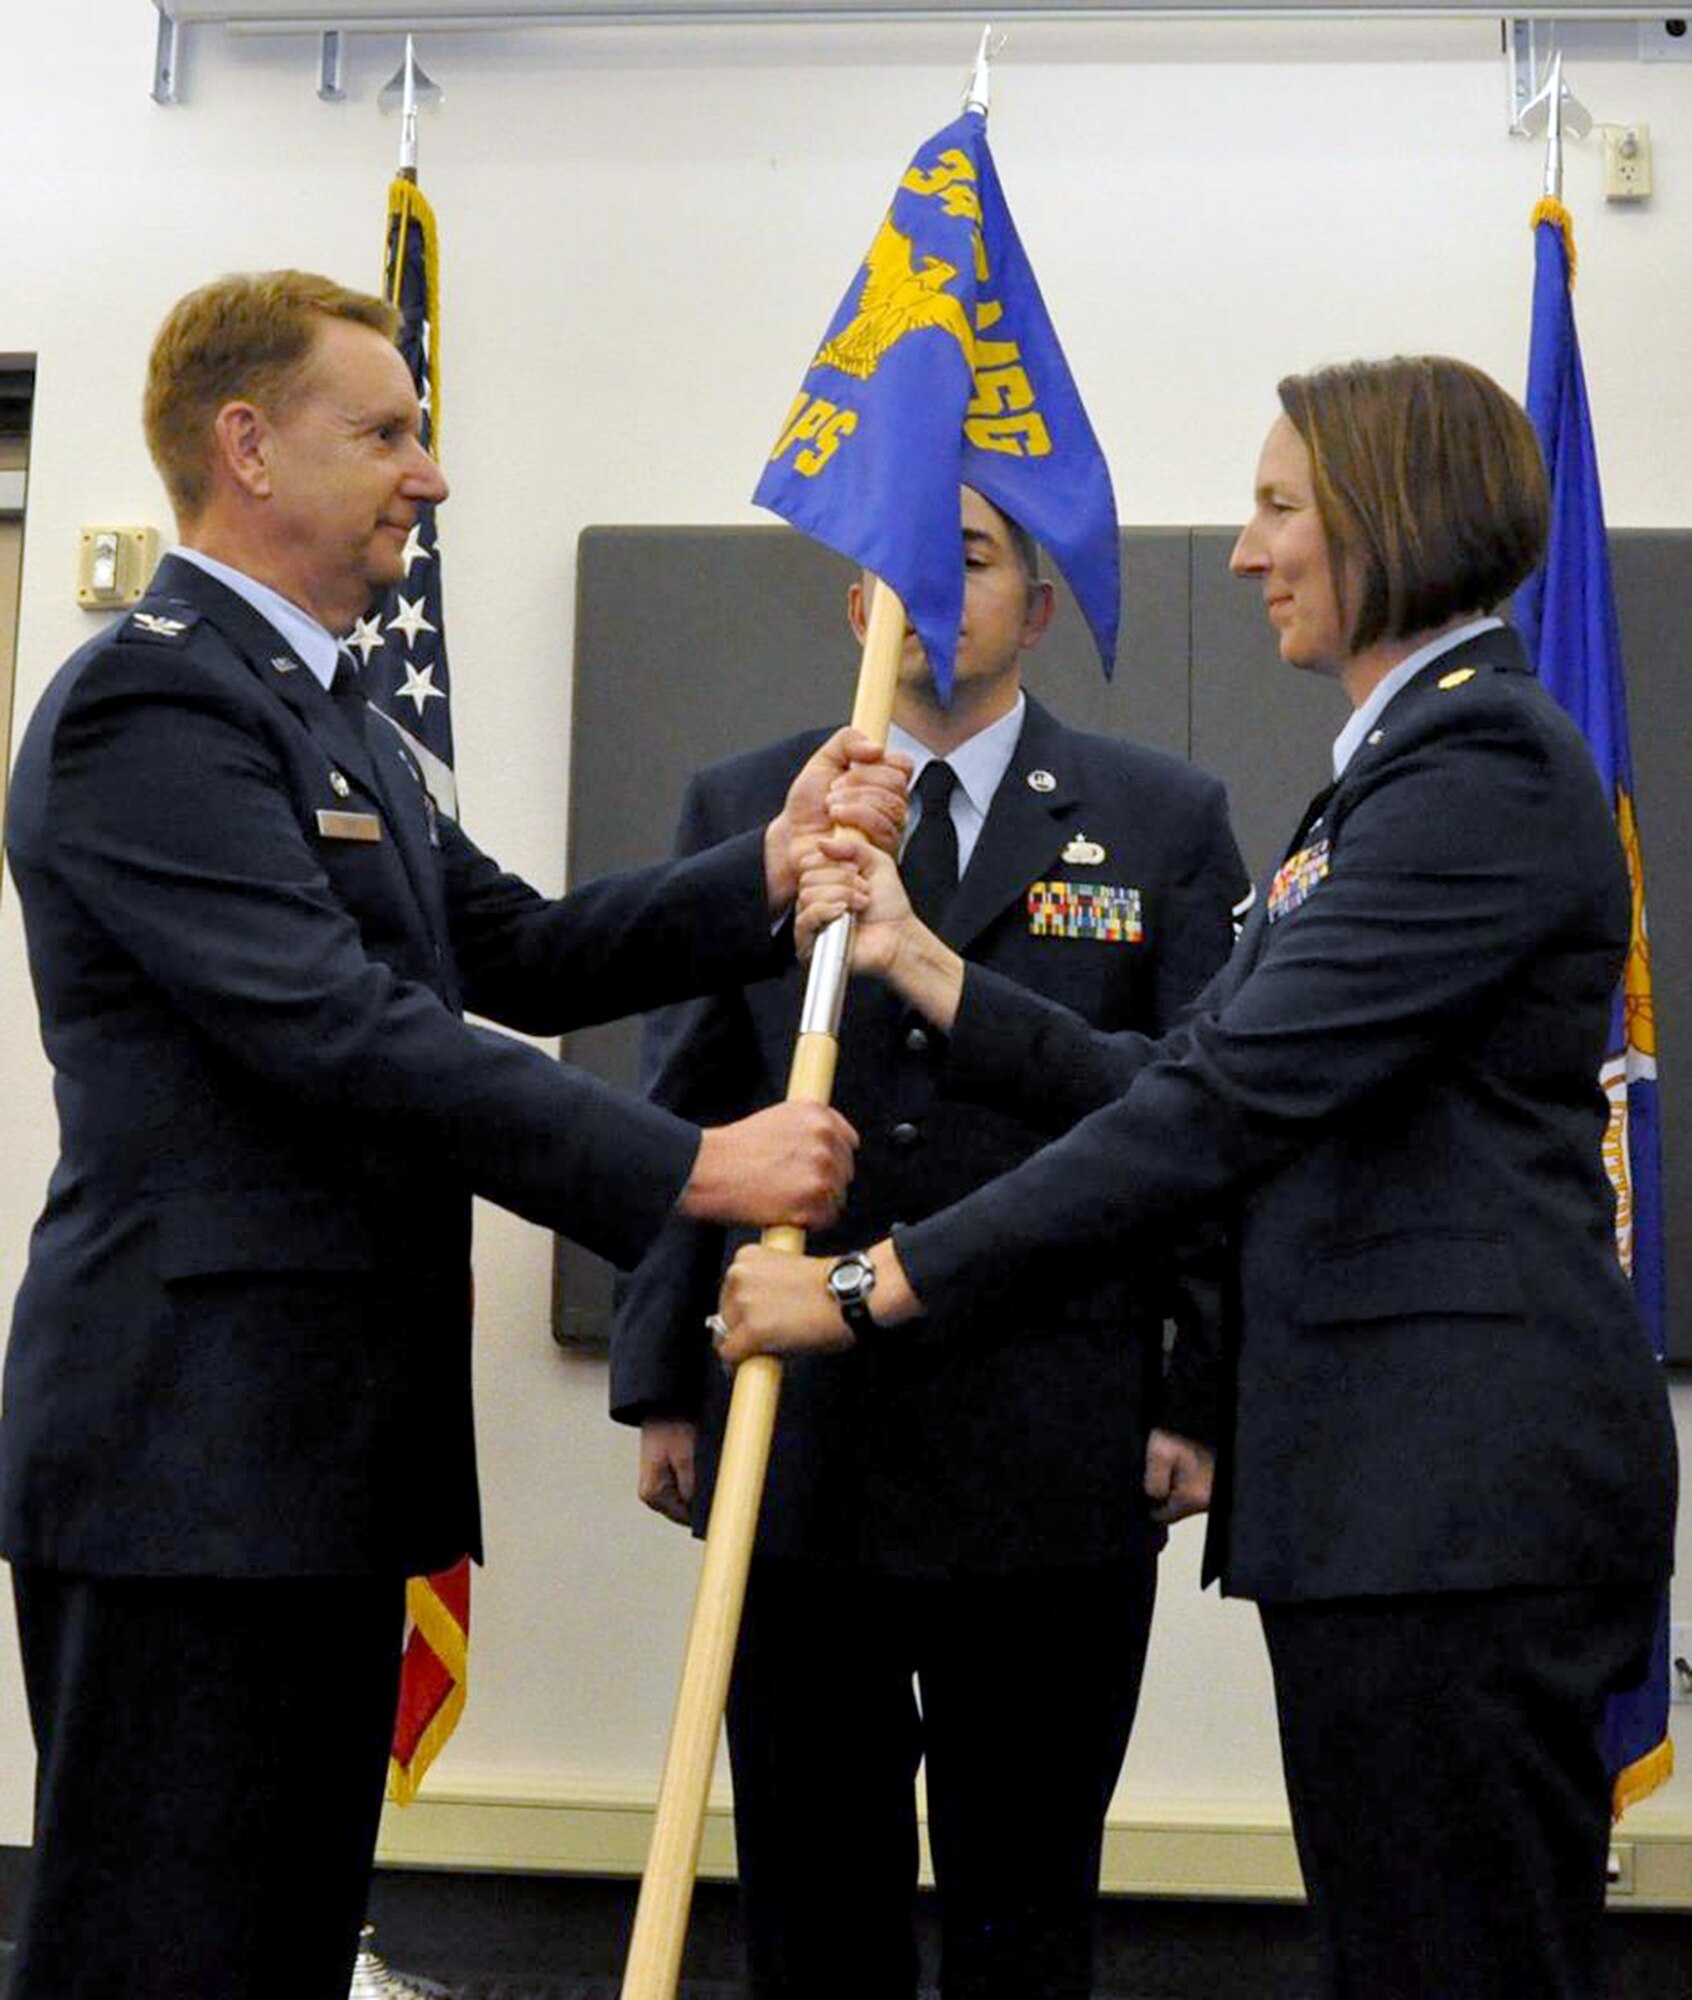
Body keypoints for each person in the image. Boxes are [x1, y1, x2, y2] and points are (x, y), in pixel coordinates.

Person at [715, 358, 1678, 2000]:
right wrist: (935, 970)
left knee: (1457, 1964)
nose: (1244, 553)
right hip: (1392, 1509)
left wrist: (869, 1289)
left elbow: (1211, 1111)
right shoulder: (1396, 777)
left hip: (1452, 1504)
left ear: (1392, 521)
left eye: (1279, 507)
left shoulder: (1478, 779)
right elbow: (1189, 1082)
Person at [0, 269, 906, 2000]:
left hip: (320, 1463)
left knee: (274, 1948)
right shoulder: (154, 705)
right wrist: (693, 1173)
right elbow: (340, 1036)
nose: (432, 474)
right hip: (189, 1466)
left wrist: (767, 871)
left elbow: (524, 948)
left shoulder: (345, 720)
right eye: (391, 432)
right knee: (156, 1951)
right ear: (246, 447)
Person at [611, 485, 1248, 2000]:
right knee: (813, 1900)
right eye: (900, 567)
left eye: (968, 563)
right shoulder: (752, 808)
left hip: (1054, 1440)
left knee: (1025, 1898)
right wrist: (659, 1381)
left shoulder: (1159, 816)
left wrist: (1193, 1391)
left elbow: (1207, 1135)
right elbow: (682, 1104)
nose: (926, 592)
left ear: (1036, 607)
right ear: (856, 612)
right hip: (796, 1437)